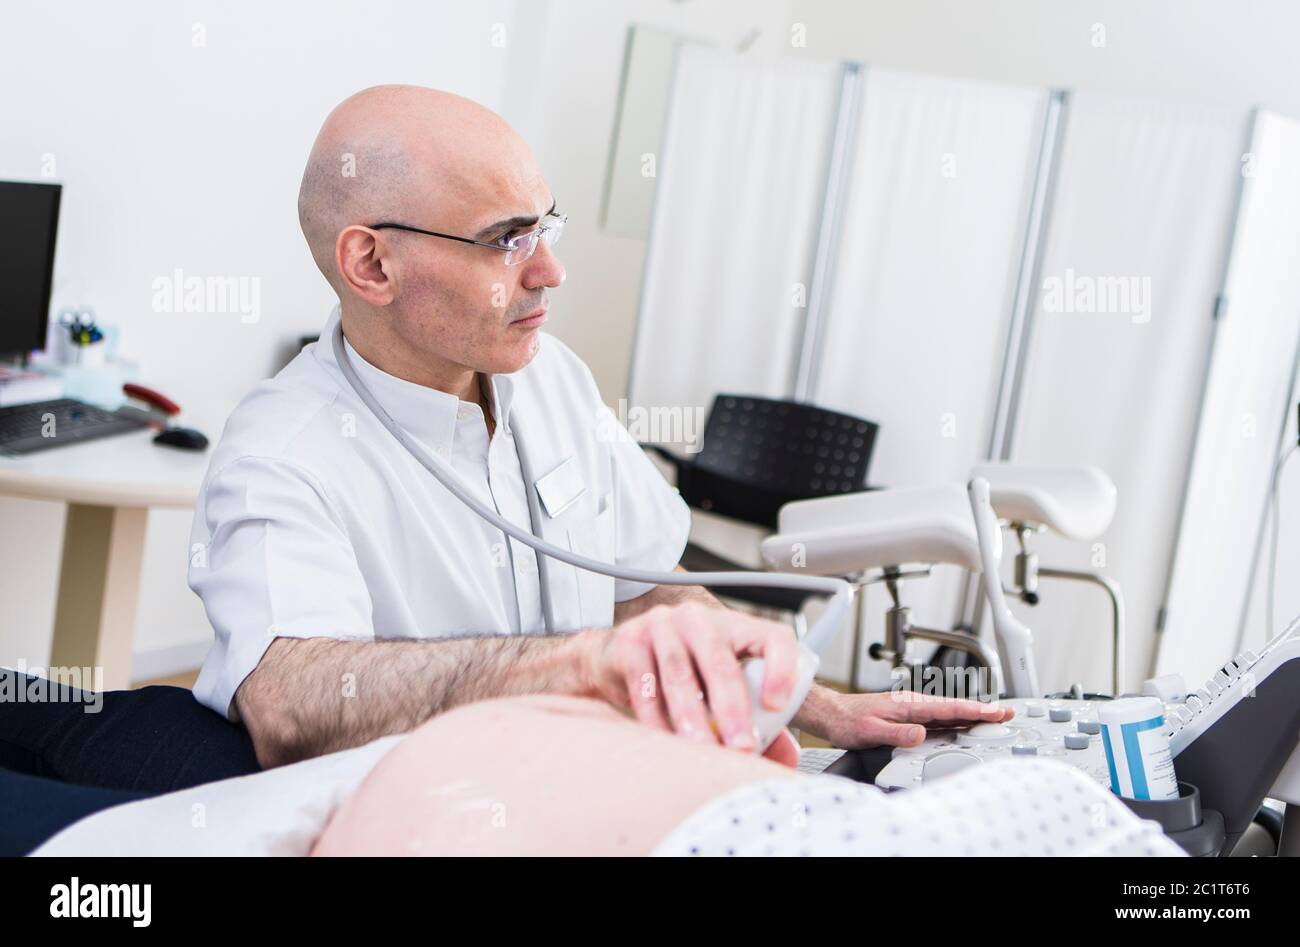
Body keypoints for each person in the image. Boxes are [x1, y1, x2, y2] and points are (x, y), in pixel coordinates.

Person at [186, 83, 1010, 769]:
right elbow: (290, 700)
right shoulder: (283, 452)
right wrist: (573, 665)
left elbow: (645, 586)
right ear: (372, 264)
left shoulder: (551, 377)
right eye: (507, 240)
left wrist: (814, 702)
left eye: (544, 226)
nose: (551, 270)